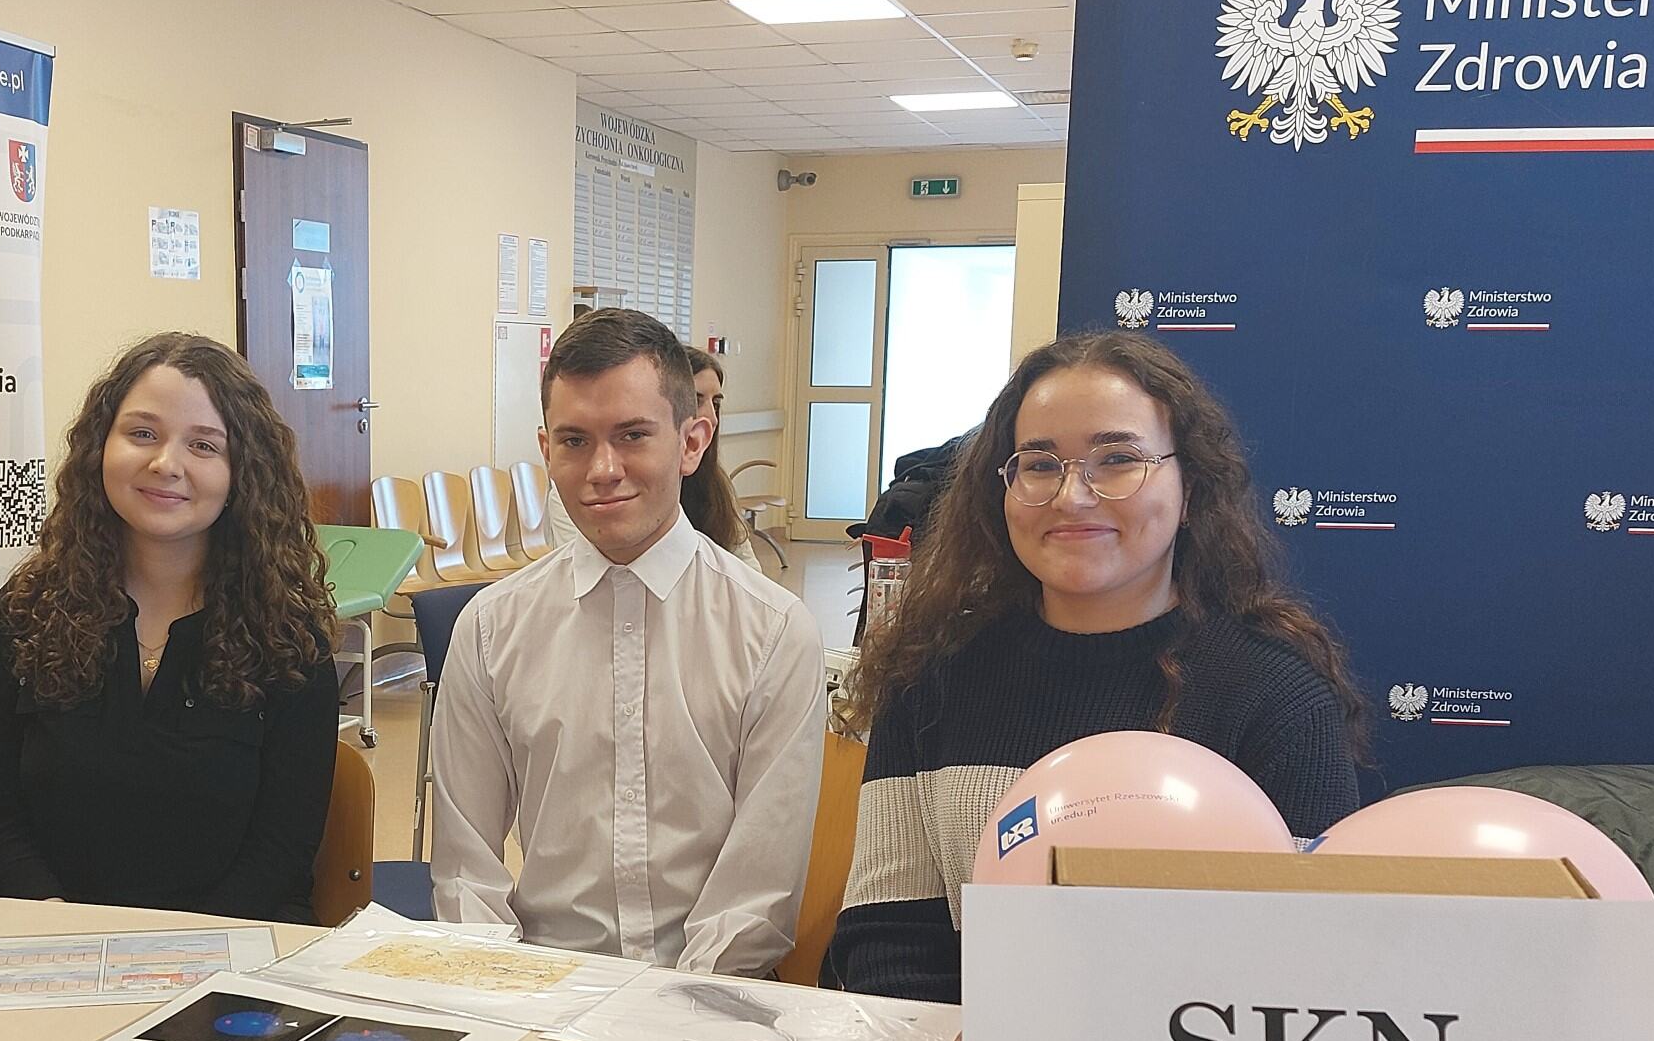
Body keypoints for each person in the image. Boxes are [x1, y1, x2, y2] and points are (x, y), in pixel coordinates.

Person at [824, 329, 1363, 1004]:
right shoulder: (928, 676)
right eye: (1039, 464)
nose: (1072, 497)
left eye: (1117, 460)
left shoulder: (1277, 696)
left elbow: (1313, 969)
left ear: (1192, 488)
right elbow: (888, 942)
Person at [431, 308, 826, 974]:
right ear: (546, 450)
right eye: (575, 441)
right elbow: (467, 876)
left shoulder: (773, 632)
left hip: (710, 998)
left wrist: (668, 1016)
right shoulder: (491, 628)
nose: (603, 469)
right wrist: (504, 997)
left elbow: (755, 902)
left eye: (633, 435)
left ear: (692, 442)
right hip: (541, 989)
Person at [0, 332, 338, 921]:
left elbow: (282, 848)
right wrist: (56, 924)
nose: (166, 464)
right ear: (100, 447)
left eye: (204, 445)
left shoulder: (288, 638)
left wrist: (180, 953)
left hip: (235, 942)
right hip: (49, 937)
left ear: (243, 471)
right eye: (142, 434)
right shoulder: (25, 613)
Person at [678, 345, 752, 559]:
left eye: (716, 403)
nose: (711, 417)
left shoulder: (715, 484)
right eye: (696, 400)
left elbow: (747, 566)